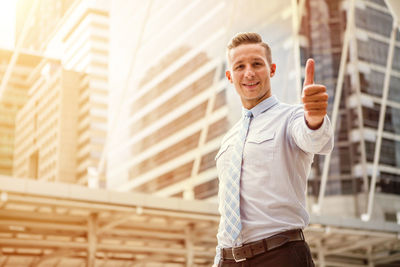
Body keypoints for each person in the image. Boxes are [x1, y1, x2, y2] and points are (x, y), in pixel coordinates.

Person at [213, 32, 333, 267]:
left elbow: (314, 138)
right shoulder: (229, 139)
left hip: (280, 256)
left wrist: (315, 117)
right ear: (230, 76)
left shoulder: (292, 117)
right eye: (240, 66)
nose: (249, 72)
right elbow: (226, 210)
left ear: (272, 69)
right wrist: (219, 259)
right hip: (228, 259)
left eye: (257, 64)